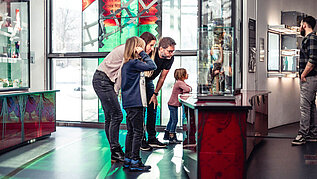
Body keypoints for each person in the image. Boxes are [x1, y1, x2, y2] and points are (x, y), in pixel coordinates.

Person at [92, 32, 157, 161]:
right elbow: (121, 75)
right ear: (139, 45)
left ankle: (115, 150)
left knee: (110, 117)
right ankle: (115, 150)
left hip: (105, 80)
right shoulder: (127, 53)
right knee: (116, 115)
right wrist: (117, 93)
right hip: (103, 80)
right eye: (149, 45)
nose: (150, 49)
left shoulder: (130, 54)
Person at [121, 36, 157, 171]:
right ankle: (135, 161)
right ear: (136, 48)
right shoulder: (134, 63)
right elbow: (153, 65)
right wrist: (142, 53)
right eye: (141, 47)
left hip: (129, 103)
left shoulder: (127, 65)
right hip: (136, 103)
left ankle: (128, 159)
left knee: (131, 132)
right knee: (138, 132)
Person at [141, 37, 177, 150]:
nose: (172, 53)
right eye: (169, 51)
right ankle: (141, 140)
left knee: (153, 107)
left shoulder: (170, 59)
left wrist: (155, 94)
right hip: (140, 80)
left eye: (173, 51)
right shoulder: (151, 51)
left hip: (150, 82)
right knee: (140, 110)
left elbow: (162, 78)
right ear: (161, 49)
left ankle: (152, 139)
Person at [292, 16, 317, 146]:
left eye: (301, 24)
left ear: (305, 25)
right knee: (311, 106)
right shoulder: (309, 39)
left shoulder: (311, 38)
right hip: (310, 78)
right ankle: (312, 134)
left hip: (309, 78)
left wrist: (303, 74)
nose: (300, 26)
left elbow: (313, 59)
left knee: (305, 107)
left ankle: (302, 135)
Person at [163, 68, 192, 144]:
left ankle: (167, 134)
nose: (187, 74)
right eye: (186, 73)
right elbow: (188, 89)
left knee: (171, 120)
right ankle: (172, 136)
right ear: (182, 75)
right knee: (175, 120)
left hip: (172, 104)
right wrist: (188, 88)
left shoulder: (179, 82)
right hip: (173, 104)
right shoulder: (180, 83)